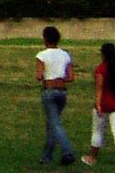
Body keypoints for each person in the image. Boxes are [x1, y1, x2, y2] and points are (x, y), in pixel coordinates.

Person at [36, 25, 79, 165]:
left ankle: (68, 151)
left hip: (49, 91)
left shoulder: (42, 55)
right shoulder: (65, 54)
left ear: (45, 39)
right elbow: (71, 77)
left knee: (55, 123)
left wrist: (47, 76)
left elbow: (39, 75)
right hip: (62, 91)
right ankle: (46, 156)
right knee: (52, 124)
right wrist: (60, 78)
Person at [84, 43, 115, 166]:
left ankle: (93, 158)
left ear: (102, 54)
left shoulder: (100, 69)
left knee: (97, 132)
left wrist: (98, 104)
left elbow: (99, 89)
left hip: (104, 103)